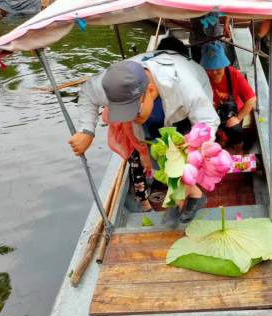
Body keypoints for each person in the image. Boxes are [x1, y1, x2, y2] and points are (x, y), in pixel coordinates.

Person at [69, 50, 220, 224]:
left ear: (150, 89)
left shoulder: (185, 86)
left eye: (134, 111)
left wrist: (193, 153)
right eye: (126, 112)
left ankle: (187, 198)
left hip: (183, 111)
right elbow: (87, 92)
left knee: (183, 159)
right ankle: (189, 197)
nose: (131, 118)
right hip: (154, 113)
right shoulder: (111, 84)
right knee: (157, 154)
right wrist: (86, 131)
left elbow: (207, 122)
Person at [200, 42, 256, 154]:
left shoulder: (234, 75)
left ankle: (238, 151)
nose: (214, 72)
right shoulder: (201, 76)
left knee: (235, 128)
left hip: (232, 114)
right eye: (210, 69)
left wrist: (239, 118)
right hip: (212, 113)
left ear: (224, 65)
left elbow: (251, 99)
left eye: (218, 67)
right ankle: (221, 142)